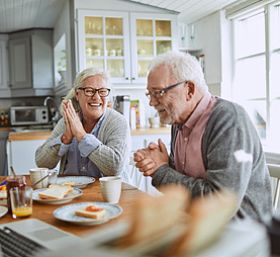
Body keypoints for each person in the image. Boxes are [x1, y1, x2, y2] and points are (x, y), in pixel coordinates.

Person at [134, 51, 272, 223]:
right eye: (150, 94)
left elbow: (219, 201)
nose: (152, 102)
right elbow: (184, 179)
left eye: (158, 92)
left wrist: (161, 171)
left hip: (240, 233)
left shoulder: (228, 120)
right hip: (196, 224)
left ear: (189, 90)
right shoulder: (178, 121)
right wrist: (161, 163)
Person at [36, 68, 130, 178]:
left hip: (107, 194)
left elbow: (115, 168)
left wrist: (81, 135)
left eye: (102, 91)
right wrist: (65, 138)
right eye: (89, 91)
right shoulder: (67, 120)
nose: (96, 97)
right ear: (77, 94)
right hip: (71, 192)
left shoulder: (118, 122)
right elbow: (41, 163)